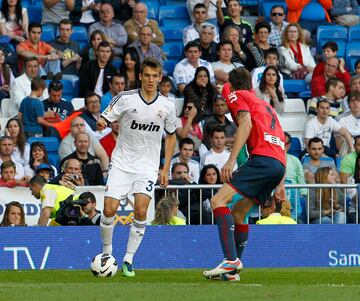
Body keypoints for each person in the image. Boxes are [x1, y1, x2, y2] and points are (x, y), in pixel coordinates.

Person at [203, 67, 286, 281]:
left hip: (262, 159)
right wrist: (281, 183)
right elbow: (281, 142)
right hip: (277, 164)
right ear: (251, 85)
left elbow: (246, 122)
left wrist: (231, 160)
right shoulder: (265, 104)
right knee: (239, 213)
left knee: (217, 201)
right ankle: (233, 271)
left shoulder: (237, 94)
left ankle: (230, 260)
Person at [96, 57, 177, 277]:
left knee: (140, 211)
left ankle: (128, 260)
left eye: (155, 76)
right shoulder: (125, 98)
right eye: (147, 75)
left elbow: (171, 137)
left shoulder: (167, 106)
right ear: (140, 76)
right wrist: (102, 121)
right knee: (109, 209)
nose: (151, 80)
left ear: (160, 78)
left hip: (147, 167)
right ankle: (106, 254)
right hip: (121, 163)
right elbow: (105, 116)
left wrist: (165, 166)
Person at [284, 132, 306, 223]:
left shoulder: (295, 160)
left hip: (293, 197)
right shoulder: (268, 159)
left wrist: (303, 195)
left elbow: (301, 181)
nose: (283, 146)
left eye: (285, 144)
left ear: (289, 145)